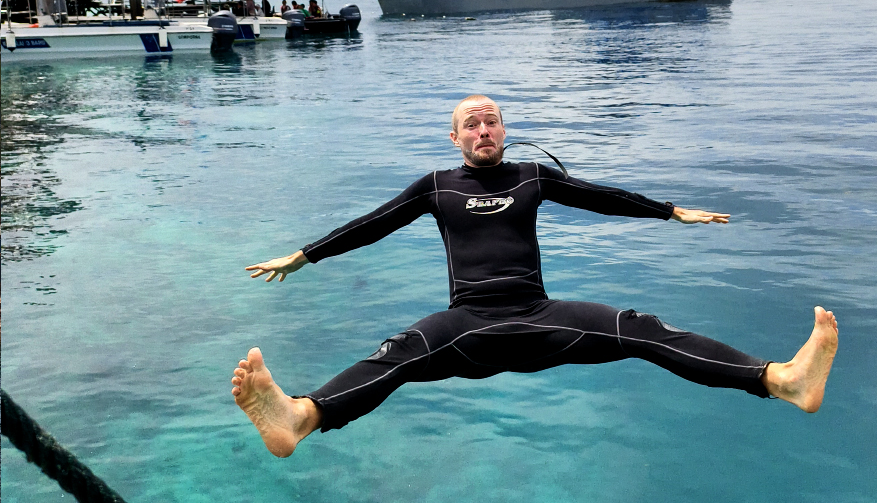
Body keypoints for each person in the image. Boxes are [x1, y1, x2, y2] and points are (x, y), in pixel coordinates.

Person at [233, 95, 838, 458]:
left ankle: (782, 381)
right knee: (398, 354)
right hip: (469, 326)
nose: (483, 130)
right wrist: (303, 255)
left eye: (491, 121)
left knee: (644, 330)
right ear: (454, 137)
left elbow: (597, 195)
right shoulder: (435, 186)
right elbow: (372, 224)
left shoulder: (532, 176)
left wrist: (669, 210)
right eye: (471, 124)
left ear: (505, 131)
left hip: (544, 320)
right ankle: (299, 417)